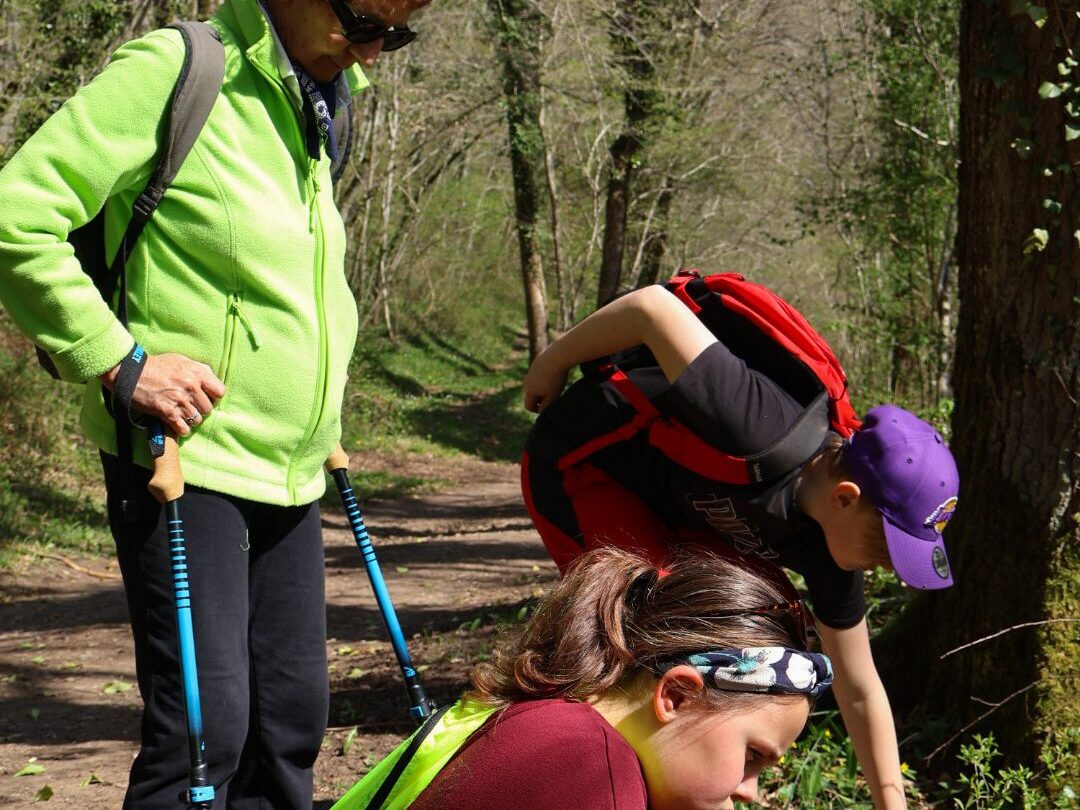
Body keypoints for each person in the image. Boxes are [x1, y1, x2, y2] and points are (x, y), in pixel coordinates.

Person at [0, 0, 430, 806]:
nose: (371, 49)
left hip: (295, 470)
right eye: (363, 19)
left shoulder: (318, 101)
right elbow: (15, 215)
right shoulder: (181, 71)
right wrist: (118, 359)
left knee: (290, 726)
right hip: (184, 461)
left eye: (394, 33)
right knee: (205, 735)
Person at [521, 281, 960, 810]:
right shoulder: (757, 423)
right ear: (846, 497)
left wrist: (893, 804)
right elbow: (652, 308)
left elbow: (860, 687)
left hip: (674, 509)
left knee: (766, 620)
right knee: (642, 626)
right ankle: (565, 767)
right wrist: (553, 360)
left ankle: (692, 774)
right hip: (584, 463)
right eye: (886, 547)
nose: (883, 565)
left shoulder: (831, 550)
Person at [333, 546, 834, 810]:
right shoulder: (584, 769)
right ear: (677, 695)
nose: (751, 792)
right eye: (752, 758)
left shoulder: (548, 723)